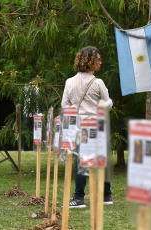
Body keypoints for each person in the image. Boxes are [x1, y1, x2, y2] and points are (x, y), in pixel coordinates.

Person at [62, 46, 113, 208]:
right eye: (98, 59)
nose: (100, 62)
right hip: (97, 125)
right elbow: (108, 104)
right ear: (90, 61)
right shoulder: (98, 82)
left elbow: (65, 106)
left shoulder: (69, 82)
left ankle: (78, 198)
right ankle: (106, 196)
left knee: (81, 162)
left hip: (79, 126)